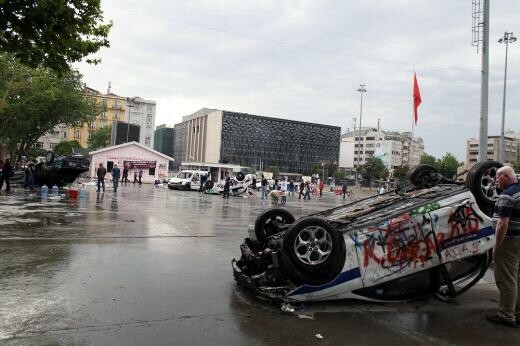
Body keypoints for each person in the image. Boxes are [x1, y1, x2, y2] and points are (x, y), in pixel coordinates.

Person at [486, 166, 520, 327]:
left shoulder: (507, 195)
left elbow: (502, 223)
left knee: (506, 279)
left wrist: (497, 245)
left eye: (498, 177)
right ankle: (517, 312)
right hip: (518, 239)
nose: (495, 181)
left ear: (507, 177)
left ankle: (506, 315)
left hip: (509, 241)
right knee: (517, 277)